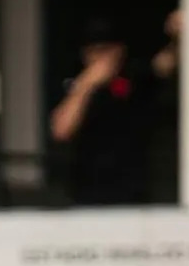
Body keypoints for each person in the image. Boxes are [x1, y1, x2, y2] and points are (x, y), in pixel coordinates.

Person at [50, 11, 180, 207]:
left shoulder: (134, 78)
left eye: (106, 50)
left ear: (119, 51)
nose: (100, 58)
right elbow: (61, 130)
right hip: (87, 196)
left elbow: (166, 63)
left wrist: (178, 37)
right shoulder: (75, 85)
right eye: (94, 50)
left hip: (132, 196)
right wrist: (87, 83)